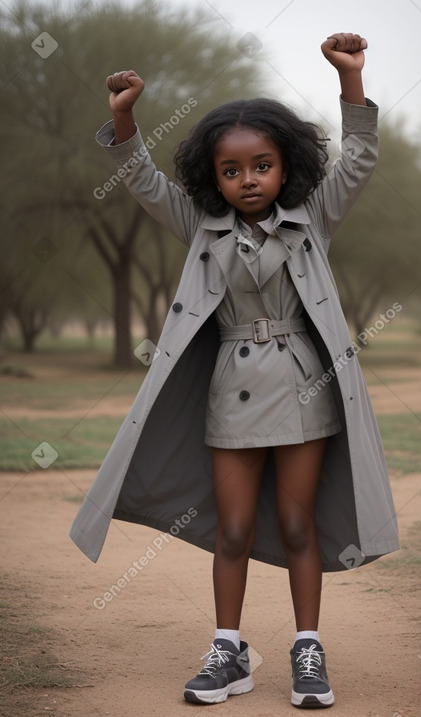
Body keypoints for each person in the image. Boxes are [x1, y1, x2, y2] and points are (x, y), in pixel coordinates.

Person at [70, 32, 399, 709]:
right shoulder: (198, 226)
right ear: (212, 177)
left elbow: (360, 158)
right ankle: (229, 648)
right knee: (234, 527)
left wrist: (351, 79)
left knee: (300, 522)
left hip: (305, 390)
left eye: (262, 165)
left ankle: (308, 647)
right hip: (231, 392)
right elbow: (139, 177)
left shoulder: (313, 219)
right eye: (232, 170)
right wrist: (127, 115)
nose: (248, 179)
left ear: (287, 167)